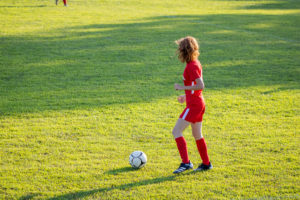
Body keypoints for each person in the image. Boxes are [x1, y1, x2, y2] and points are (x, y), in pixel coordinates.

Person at [172, 36, 212, 174]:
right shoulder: (195, 63)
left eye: (180, 49)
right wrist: (186, 95)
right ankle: (206, 164)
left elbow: (201, 85)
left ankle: (186, 163)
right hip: (197, 102)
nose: (179, 52)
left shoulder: (192, 66)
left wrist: (181, 87)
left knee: (176, 131)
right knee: (197, 135)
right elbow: (195, 86)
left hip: (194, 105)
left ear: (185, 50)